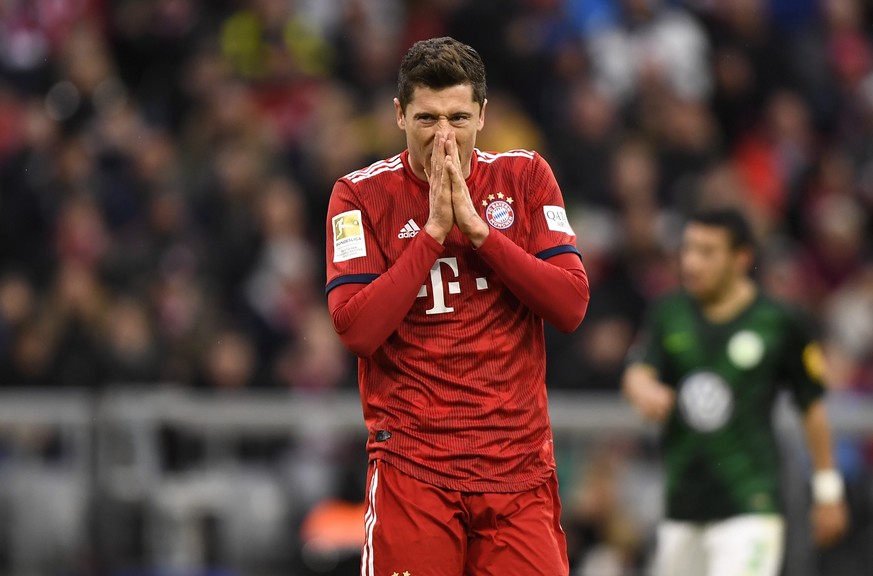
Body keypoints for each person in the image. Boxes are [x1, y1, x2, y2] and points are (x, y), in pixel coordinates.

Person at [325, 37, 590, 575]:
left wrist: (482, 235)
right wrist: (432, 235)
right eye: (426, 119)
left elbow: (570, 305)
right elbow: (355, 329)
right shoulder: (359, 196)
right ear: (398, 115)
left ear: (483, 115)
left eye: (458, 118)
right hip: (413, 466)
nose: (443, 137)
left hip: (517, 472)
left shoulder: (525, 177)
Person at [621, 207, 849, 576]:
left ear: (742, 258)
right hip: (683, 505)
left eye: (707, 252)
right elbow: (637, 371)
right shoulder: (669, 313)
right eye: (688, 249)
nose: (692, 262)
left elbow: (813, 408)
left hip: (750, 506)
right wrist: (642, 389)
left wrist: (827, 492)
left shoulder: (779, 322)